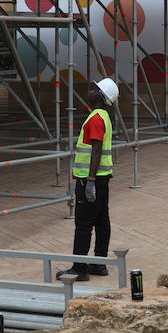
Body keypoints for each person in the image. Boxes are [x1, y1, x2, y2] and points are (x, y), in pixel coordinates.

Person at [58, 78, 119, 282]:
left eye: (94, 89)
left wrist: (90, 180)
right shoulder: (104, 116)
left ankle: (79, 268)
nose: (89, 91)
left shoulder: (96, 118)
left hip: (90, 179)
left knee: (83, 224)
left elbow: (96, 150)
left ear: (100, 96)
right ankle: (99, 263)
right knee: (102, 220)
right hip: (102, 178)